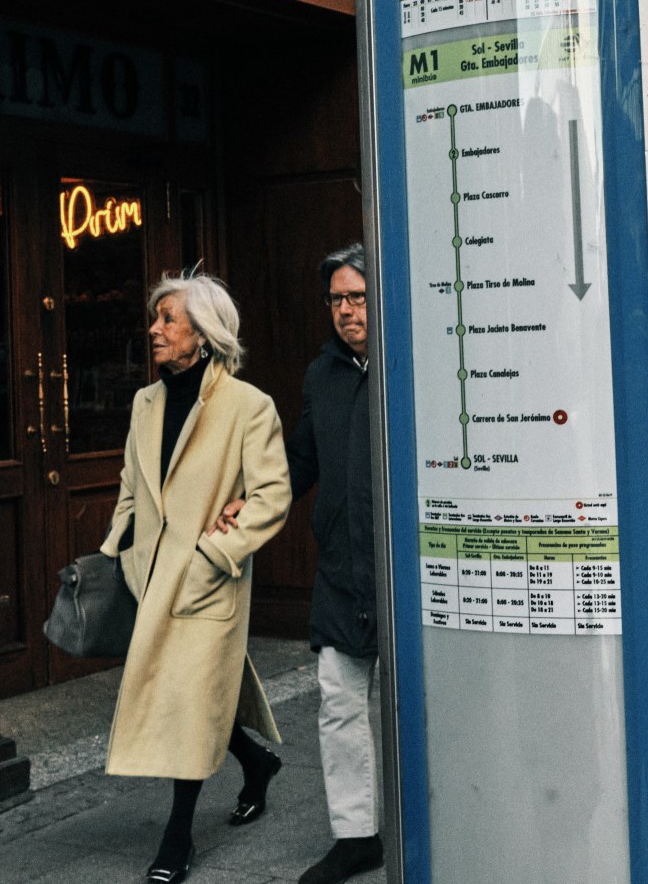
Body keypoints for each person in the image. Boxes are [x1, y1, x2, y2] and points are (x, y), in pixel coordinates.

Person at [101, 273, 292, 884]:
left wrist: (216, 556)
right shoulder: (144, 402)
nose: (155, 330)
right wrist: (118, 551)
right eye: (155, 318)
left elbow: (271, 497)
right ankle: (256, 764)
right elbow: (133, 487)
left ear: (203, 336)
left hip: (209, 583)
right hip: (152, 580)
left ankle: (177, 838)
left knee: (186, 703)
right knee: (195, 695)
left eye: (168, 320)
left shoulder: (248, 406)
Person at [217, 243, 382, 884]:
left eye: (357, 296)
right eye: (337, 299)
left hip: (403, 569)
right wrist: (250, 500)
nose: (345, 310)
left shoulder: (414, 364)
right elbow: (300, 460)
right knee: (339, 703)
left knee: (416, 705)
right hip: (342, 567)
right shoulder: (323, 376)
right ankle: (357, 835)